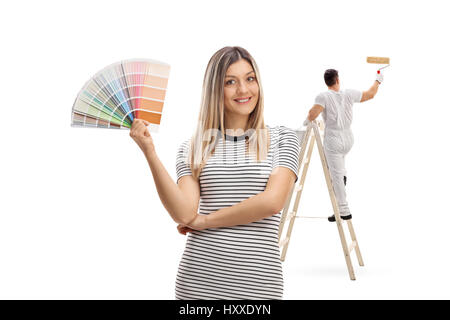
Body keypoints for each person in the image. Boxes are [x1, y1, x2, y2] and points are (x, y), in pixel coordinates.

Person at [129, 46, 300, 299]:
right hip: (197, 285)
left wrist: (204, 221)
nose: (243, 90)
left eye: (250, 78)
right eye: (230, 82)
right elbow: (184, 213)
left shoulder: (283, 138)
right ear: (214, 90)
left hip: (258, 288)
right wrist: (150, 152)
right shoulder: (193, 148)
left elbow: (272, 202)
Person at [304, 69, 383, 222]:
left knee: (335, 175)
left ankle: (343, 209)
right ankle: (342, 180)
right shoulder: (349, 94)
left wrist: (306, 121)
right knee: (339, 169)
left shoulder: (323, 96)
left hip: (333, 139)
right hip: (348, 138)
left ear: (326, 82)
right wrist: (378, 80)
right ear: (337, 80)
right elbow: (370, 94)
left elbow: (313, 114)